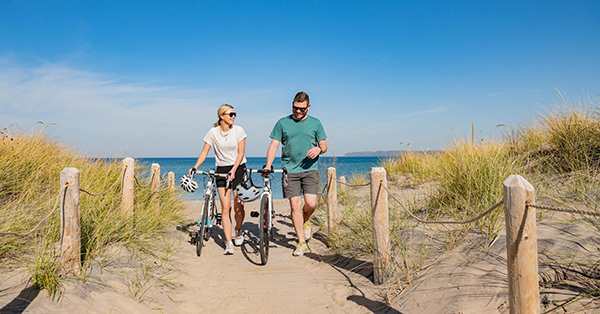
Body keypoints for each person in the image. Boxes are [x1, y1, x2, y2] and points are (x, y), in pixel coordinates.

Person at [264, 91, 327, 256]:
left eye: (302, 109)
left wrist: (318, 149)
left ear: (308, 107)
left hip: (310, 170)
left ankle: (305, 220)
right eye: (295, 108)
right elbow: (273, 145)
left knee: (311, 204)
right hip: (289, 170)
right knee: (295, 206)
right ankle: (301, 242)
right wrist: (268, 165)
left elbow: (324, 145)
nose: (298, 112)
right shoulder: (282, 123)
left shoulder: (316, 123)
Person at [189, 104, 247, 255]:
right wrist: (195, 167)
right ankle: (228, 242)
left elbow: (241, 153)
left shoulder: (239, 131)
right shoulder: (213, 132)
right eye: (230, 114)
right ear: (222, 116)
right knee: (225, 207)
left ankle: (238, 231)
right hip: (221, 170)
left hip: (238, 168)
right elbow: (204, 152)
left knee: (238, 206)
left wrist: (234, 171)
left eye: (235, 114)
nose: (233, 117)